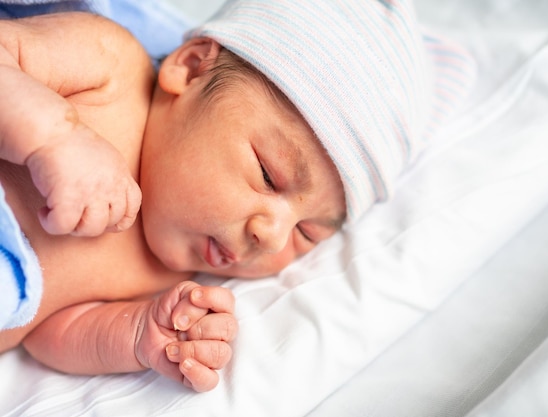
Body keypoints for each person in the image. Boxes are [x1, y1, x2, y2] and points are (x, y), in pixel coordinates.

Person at [0, 0, 434, 392]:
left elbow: (44, 333)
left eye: (307, 233)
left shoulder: (166, 276)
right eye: (269, 175)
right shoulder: (109, 65)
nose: (272, 236)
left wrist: (137, 334)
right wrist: (56, 138)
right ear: (190, 69)